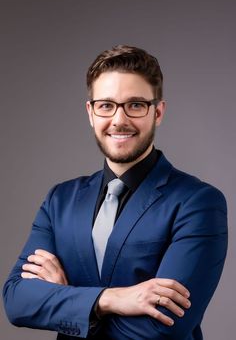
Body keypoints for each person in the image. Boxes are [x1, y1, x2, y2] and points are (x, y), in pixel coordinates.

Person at [3, 45, 228, 340]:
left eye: (135, 105)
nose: (119, 120)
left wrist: (69, 300)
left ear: (157, 112)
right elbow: (16, 300)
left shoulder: (198, 202)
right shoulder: (60, 200)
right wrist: (110, 299)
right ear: (91, 112)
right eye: (106, 105)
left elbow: (161, 329)